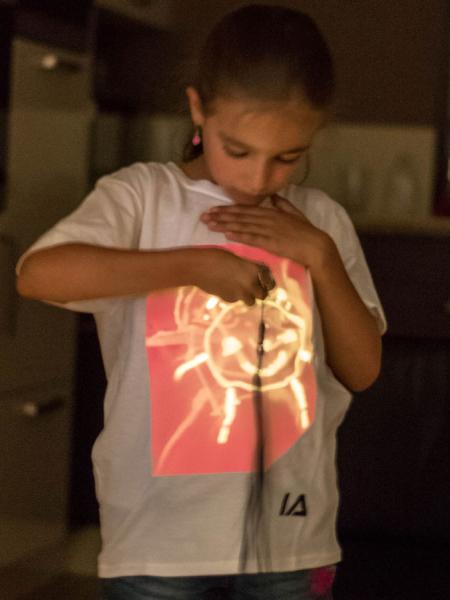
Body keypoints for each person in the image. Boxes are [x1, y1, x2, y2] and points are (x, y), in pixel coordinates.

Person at [16, 4, 386, 599]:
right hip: (156, 541)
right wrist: (192, 266)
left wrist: (319, 256)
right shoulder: (143, 197)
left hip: (288, 542)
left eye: (287, 157)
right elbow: (38, 275)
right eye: (237, 149)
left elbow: (363, 370)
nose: (259, 178)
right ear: (197, 109)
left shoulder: (321, 222)